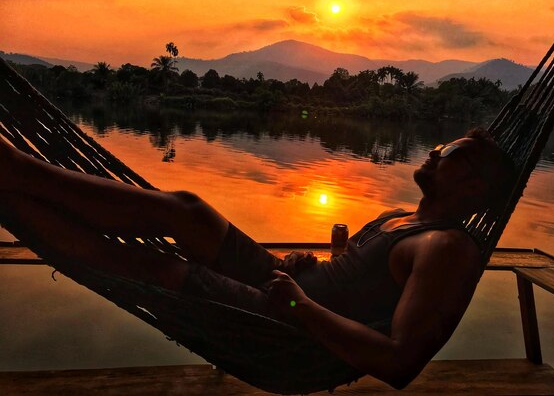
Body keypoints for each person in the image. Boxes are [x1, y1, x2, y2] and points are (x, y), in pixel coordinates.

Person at [0, 127, 514, 390]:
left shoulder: (448, 248)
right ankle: (21, 174)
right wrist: (321, 262)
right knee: (189, 212)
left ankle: (10, 189)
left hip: (287, 329)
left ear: (471, 182)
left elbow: (400, 362)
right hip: (290, 291)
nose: (435, 153)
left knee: (162, 272)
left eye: (451, 152)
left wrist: (300, 307)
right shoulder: (407, 217)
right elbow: (367, 284)